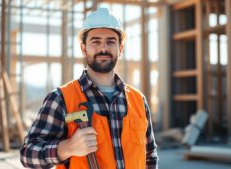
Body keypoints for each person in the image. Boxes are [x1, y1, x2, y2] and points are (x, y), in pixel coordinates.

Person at [20, 7, 158, 169]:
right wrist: (67, 148)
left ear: (120, 49)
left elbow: (150, 155)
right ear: (83, 48)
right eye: (96, 41)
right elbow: (27, 155)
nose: (103, 48)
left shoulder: (138, 100)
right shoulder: (61, 98)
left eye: (111, 41)